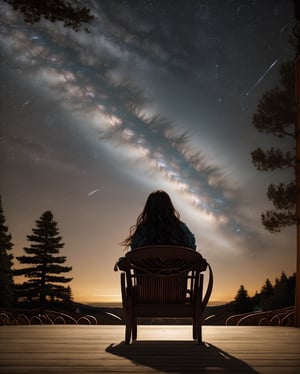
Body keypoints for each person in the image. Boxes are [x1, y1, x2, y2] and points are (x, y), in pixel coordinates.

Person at [121, 190, 196, 250]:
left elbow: (135, 251)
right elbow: (191, 248)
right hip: (178, 268)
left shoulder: (142, 230)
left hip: (147, 268)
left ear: (149, 209)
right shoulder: (181, 228)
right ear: (169, 207)